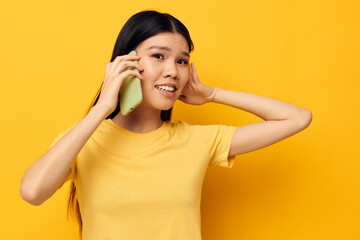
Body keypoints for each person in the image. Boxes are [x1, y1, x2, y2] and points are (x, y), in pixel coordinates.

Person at [20, 10, 312, 240]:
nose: (172, 71)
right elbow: (33, 192)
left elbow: (297, 118)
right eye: (158, 56)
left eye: (182, 62)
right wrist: (102, 109)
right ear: (127, 63)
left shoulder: (196, 141)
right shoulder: (83, 141)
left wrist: (212, 94)